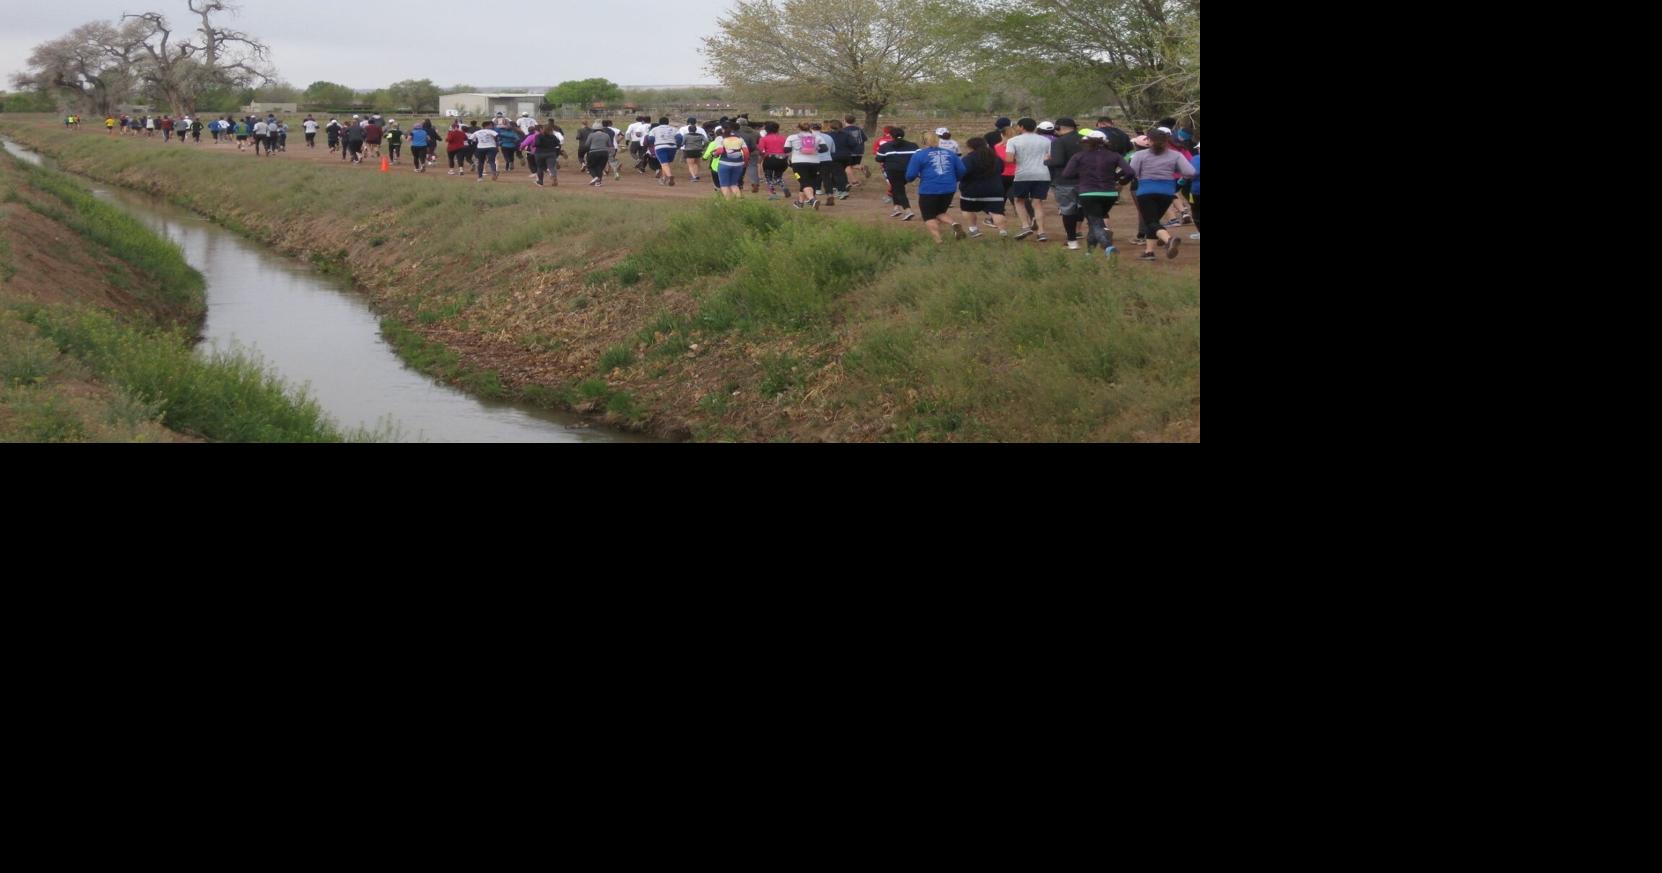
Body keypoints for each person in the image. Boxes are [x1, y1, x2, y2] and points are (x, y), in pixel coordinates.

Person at [1060, 129, 1134, 257]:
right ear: (1106, 142)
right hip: (1110, 194)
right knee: (1094, 221)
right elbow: (1130, 172)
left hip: (1087, 193)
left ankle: (1108, 246)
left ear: (1087, 142)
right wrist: (1120, 181)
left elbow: (1066, 174)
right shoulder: (1114, 155)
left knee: (1095, 222)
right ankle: (1090, 253)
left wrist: (1083, 174)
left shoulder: (1079, 156)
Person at [1129, 129, 1194, 260]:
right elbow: (1190, 172)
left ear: (1149, 140)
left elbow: (1132, 172)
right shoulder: (1175, 155)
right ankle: (1149, 252)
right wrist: (1175, 171)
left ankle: (1169, 240)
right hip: (1167, 192)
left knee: (1151, 221)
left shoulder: (1140, 155)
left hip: (1146, 191)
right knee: (1153, 221)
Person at [905, 132, 968, 243]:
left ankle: (938, 240)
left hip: (929, 189)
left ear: (923, 142)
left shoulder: (919, 155)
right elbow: (962, 170)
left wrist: (908, 180)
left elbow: (910, 175)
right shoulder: (950, 154)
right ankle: (954, 224)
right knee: (939, 211)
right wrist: (955, 179)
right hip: (949, 188)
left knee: (928, 215)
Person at [1005, 118, 1052, 241]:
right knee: (1037, 203)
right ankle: (1041, 232)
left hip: (1023, 174)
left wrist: (1020, 159)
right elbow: (1049, 157)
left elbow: (1009, 159)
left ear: (1021, 127)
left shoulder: (1013, 141)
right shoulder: (1045, 140)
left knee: (1019, 200)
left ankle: (1025, 226)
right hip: (1042, 174)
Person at [1046, 118, 1086, 250]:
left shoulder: (1059, 142)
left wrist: (1046, 161)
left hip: (1065, 181)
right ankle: (1099, 234)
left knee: (1068, 210)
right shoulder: (1085, 140)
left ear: (1059, 128)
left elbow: (1058, 161)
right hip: (1086, 180)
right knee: (1086, 208)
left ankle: (1072, 241)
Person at [956, 137, 1007, 238]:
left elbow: (963, 172)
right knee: (997, 212)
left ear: (971, 147)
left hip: (972, 190)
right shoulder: (996, 158)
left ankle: (973, 229)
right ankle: (1003, 231)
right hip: (994, 190)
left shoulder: (968, 159)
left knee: (967, 209)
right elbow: (1001, 170)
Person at [877, 127, 919, 221]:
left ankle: (908, 211)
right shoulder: (913, 145)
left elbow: (879, 159)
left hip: (893, 171)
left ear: (890, 136)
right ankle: (896, 208)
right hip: (910, 171)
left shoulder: (885, 146)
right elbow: (918, 157)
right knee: (896, 188)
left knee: (899, 190)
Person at [787, 122, 825, 210]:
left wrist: (796, 147)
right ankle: (800, 203)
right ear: (810, 128)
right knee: (808, 182)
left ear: (798, 128)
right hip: (815, 163)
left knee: (803, 181)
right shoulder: (818, 137)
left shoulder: (792, 137)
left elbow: (786, 149)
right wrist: (815, 148)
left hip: (798, 163)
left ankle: (812, 200)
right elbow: (824, 149)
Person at [759, 121, 790, 200]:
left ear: (766, 130)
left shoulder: (764, 139)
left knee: (768, 177)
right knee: (778, 177)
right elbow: (787, 149)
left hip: (770, 159)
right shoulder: (783, 138)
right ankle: (784, 187)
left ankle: (773, 193)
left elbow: (761, 150)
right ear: (777, 129)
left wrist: (762, 158)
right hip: (782, 160)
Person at [649, 116, 681, 186]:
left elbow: (651, 139)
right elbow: (679, 137)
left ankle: (670, 176)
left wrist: (653, 144)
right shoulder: (674, 129)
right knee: (666, 163)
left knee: (664, 163)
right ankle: (664, 178)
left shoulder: (654, 129)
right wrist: (678, 145)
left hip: (660, 146)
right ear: (668, 122)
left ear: (659, 122)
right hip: (672, 147)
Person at [679, 118, 709, 183]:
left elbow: (682, 142)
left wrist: (681, 145)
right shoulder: (701, 132)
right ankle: (695, 175)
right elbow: (706, 140)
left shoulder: (685, 133)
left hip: (688, 150)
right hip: (698, 150)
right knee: (696, 163)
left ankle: (693, 176)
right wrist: (702, 146)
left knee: (690, 164)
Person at [842, 114, 869, 181]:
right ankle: (861, 167)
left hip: (849, 151)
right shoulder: (859, 129)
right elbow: (865, 139)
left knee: (846, 166)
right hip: (860, 151)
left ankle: (854, 181)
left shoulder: (843, 130)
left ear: (844, 121)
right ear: (854, 121)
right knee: (853, 165)